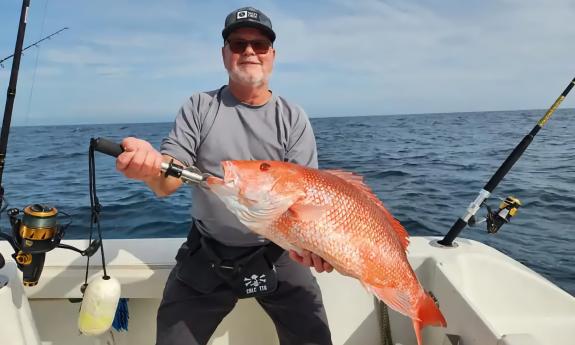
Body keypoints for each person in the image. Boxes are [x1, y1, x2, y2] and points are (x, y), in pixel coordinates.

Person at [115, 6, 334, 345]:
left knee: (315, 337)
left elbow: (307, 203)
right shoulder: (199, 107)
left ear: (272, 55)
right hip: (208, 251)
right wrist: (150, 168)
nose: (249, 51)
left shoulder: (293, 118)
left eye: (260, 45)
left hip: (279, 251)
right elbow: (168, 180)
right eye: (238, 44)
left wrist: (316, 246)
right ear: (224, 54)